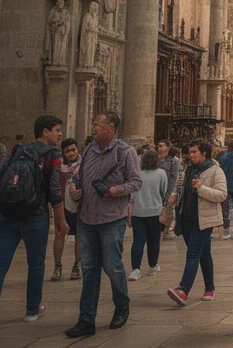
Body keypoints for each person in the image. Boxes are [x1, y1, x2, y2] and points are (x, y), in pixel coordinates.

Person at [0, 115, 66, 333]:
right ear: (45, 132)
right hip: (35, 215)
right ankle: (32, 310)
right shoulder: (53, 155)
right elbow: (55, 192)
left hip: (6, 213)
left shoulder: (16, 149)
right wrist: (61, 222)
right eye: (57, 130)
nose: (60, 134)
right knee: (36, 264)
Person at [65, 110, 143, 338]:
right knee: (89, 270)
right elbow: (80, 176)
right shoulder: (88, 149)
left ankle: (121, 306)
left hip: (111, 219)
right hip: (86, 218)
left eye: (98, 124)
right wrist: (76, 189)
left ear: (111, 128)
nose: (93, 126)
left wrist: (114, 190)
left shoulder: (125, 152)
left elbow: (136, 182)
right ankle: (86, 319)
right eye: (93, 123)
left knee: (112, 266)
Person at [167, 139, 228, 306]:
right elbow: (180, 187)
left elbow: (222, 194)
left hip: (203, 220)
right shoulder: (188, 170)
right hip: (186, 218)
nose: (191, 154)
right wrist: (174, 196)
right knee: (204, 254)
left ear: (204, 153)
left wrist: (201, 188)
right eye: (190, 151)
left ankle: (183, 290)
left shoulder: (215, 171)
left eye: (194, 152)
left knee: (193, 254)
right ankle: (210, 288)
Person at [128, 149, 170, 280]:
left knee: (138, 241)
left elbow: (132, 194)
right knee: (154, 240)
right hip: (155, 212)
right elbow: (164, 191)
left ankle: (135, 269)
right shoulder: (161, 173)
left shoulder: (137, 174)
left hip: (138, 212)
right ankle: (152, 266)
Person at [53, 138, 83, 281]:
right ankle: (57, 265)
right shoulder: (59, 168)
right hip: (62, 206)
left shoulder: (84, 166)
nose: (71, 153)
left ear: (78, 150)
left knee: (79, 236)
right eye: (67, 151)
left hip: (80, 207)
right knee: (60, 234)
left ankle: (77, 265)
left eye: (73, 150)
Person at [157, 140, 182, 234]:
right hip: (158, 188)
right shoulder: (156, 159)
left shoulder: (174, 161)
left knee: (167, 208)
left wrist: (172, 191)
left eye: (162, 146)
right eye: (159, 146)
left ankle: (167, 225)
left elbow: (175, 176)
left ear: (168, 147)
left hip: (169, 187)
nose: (160, 148)